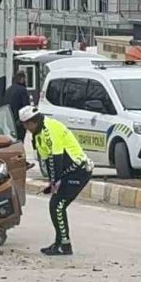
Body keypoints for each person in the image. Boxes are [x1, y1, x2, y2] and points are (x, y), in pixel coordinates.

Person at [20, 106, 93, 256]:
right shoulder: (38, 133)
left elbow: (56, 158)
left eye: (26, 125)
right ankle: (60, 242)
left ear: (32, 122)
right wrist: (52, 182)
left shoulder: (49, 130)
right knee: (56, 205)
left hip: (78, 170)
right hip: (68, 173)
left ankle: (65, 245)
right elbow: (46, 160)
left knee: (57, 205)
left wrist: (55, 182)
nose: (25, 128)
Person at [6, 72, 32, 142]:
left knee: (12, 140)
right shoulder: (23, 90)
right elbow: (26, 106)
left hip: (9, 120)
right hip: (20, 121)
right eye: (25, 78)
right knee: (20, 141)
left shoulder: (8, 90)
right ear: (22, 79)